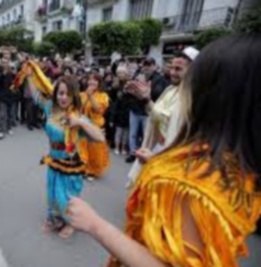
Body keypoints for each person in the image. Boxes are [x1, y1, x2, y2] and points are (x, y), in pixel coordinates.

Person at [67, 33, 261, 267]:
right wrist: (159, 159)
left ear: (213, 95)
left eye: (193, 77)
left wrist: (95, 225)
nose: (178, 77)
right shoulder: (235, 164)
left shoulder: (191, 185)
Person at [22, 61, 105, 239]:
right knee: (52, 193)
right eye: (60, 93)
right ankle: (55, 220)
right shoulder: (51, 109)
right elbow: (36, 95)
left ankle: (71, 223)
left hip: (70, 164)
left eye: (68, 94)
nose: (63, 97)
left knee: (67, 197)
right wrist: (29, 75)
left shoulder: (77, 116)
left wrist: (81, 123)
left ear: (74, 96)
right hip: (54, 160)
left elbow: (100, 137)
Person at [126, 47, 199, 187]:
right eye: (172, 68)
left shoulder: (193, 96)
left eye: (178, 69)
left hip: (175, 155)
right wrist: (146, 99)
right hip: (158, 146)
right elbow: (156, 115)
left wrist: (147, 100)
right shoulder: (171, 90)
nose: (172, 72)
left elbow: (170, 121)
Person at [79, 73, 110, 180]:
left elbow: (98, 109)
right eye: (90, 80)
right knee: (82, 148)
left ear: (99, 83)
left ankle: (92, 171)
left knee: (94, 150)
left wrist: (91, 95)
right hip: (82, 125)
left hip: (95, 127)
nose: (92, 82)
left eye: (95, 80)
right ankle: (84, 168)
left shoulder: (103, 96)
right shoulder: (82, 94)